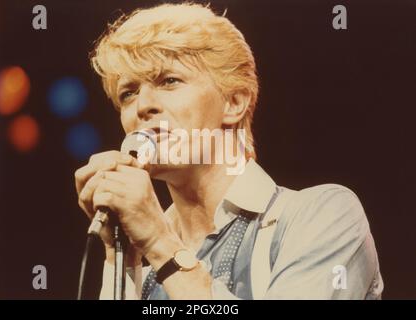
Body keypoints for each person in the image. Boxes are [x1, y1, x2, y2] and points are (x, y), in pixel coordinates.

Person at [74, 2, 383, 299]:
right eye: (128, 93)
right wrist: (120, 257)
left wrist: (158, 241)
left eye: (169, 80)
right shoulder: (142, 259)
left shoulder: (323, 216)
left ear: (234, 102)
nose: (143, 106)